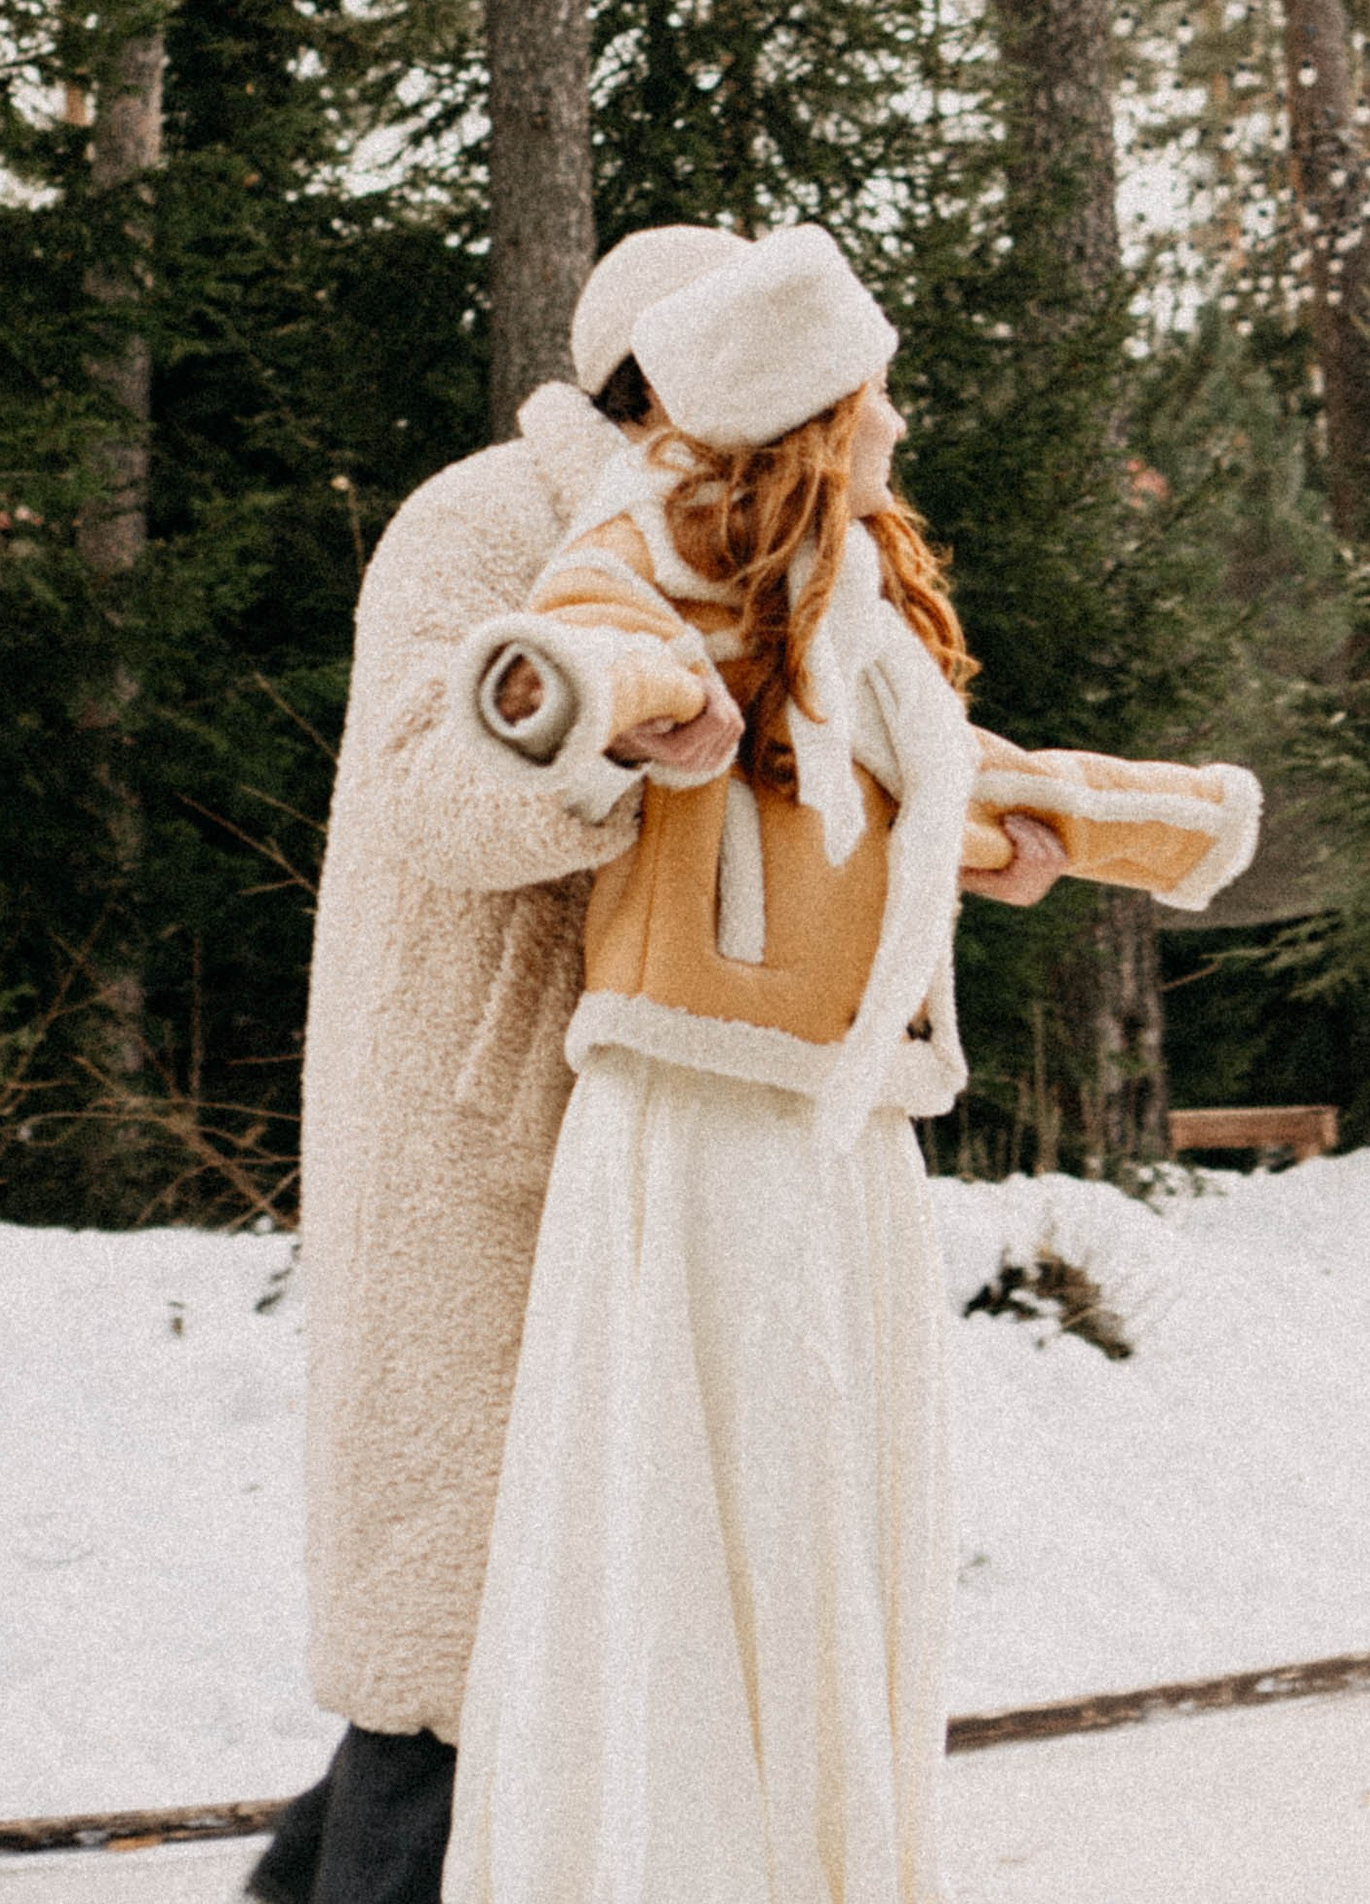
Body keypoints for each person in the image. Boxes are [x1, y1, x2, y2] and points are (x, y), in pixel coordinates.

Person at [439, 223, 1259, 1904]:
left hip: (838, 1131)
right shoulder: (648, 542)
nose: (898, 422)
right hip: (695, 1115)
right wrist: (611, 698)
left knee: (828, 1527)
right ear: (815, 410)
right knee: (691, 1520)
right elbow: (589, 648)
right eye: (877, 392)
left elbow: (971, 777)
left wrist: (1158, 823)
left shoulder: (859, 614)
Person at [253, 227, 1073, 1904]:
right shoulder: (483, 522)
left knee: (635, 1656)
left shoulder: (778, 558)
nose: (881, 426)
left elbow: (804, 834)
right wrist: (603, 735)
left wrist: (962, 833)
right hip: (497, 1157)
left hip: (702, 1165)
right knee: (466, 1653)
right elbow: (430, 787)